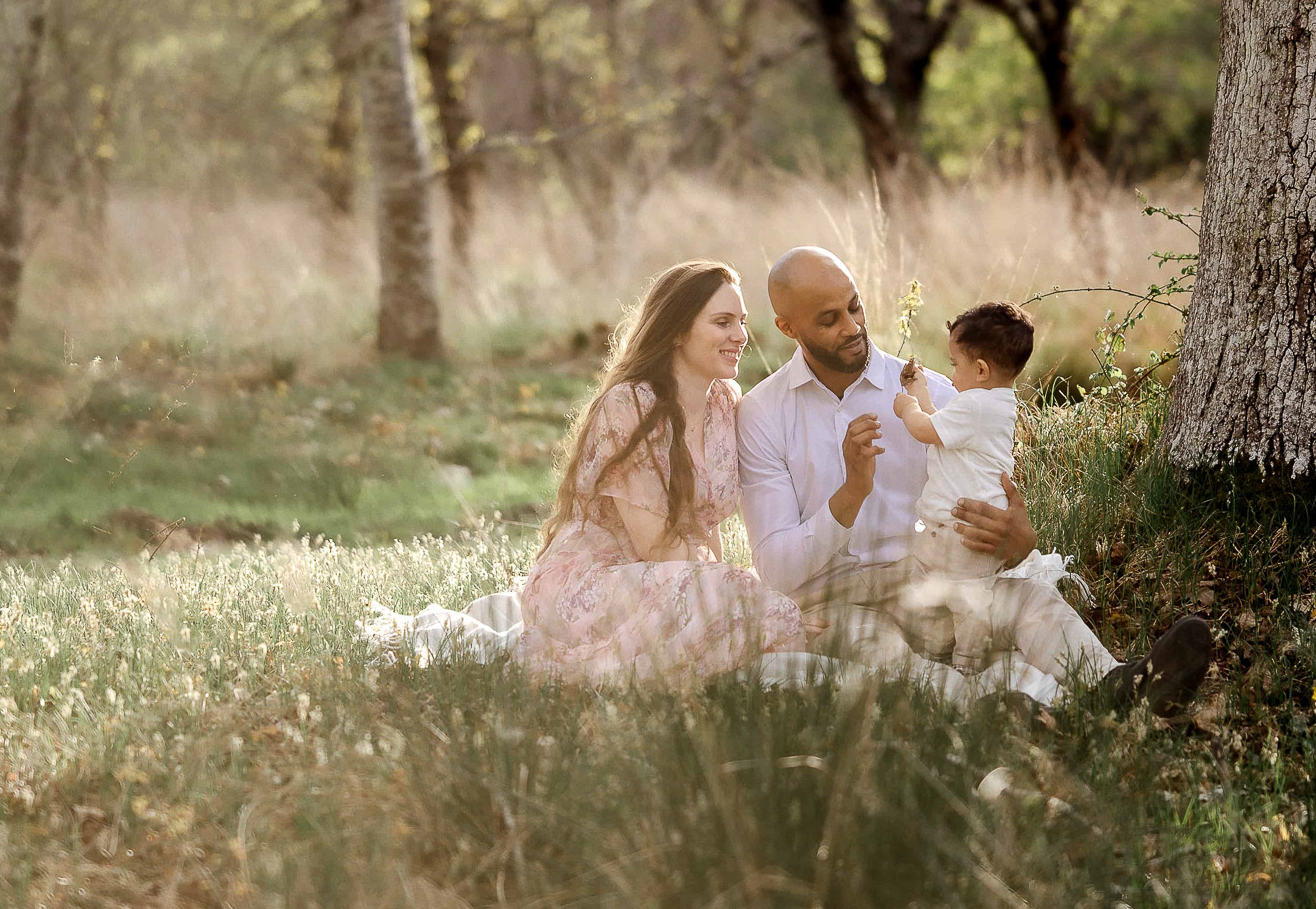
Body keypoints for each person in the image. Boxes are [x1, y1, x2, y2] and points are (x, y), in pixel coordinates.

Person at [736, 246, 1211, 713]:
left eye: (855, 305)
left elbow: (995, 501)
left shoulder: (942, 395)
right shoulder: (763, 415)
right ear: (787, 327)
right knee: (888, 658)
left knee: (1030, 603)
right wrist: (852, 492)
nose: (853, 326)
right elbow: (778, 570)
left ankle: (1121, 686)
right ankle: (1014, 712)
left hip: (931, 580)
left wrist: (1019, 539)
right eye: (828, 319)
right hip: (838, 606)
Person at [365, 261, 808, 681]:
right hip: (595, 581)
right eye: (723, 322)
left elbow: (704, 521)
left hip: (669, 580)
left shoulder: (725, 401)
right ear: (677, 330)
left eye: (742, 321)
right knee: (757, 610)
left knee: (761, 611)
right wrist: (733, 587)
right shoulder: (631, 405)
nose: (740, 335)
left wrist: (735, 584)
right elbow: (654, 546)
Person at [891, 300, 1035, 672]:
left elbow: (925, 429)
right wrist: (921, 390)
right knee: (963, 600)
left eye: (955, 365)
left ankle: (960, 665)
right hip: (960, 532)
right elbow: (943, 432)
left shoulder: (976, 405)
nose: (952, 376)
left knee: (958, 602)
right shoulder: (993, 404)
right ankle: (960, 660)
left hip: (959, 535)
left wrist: (907, 407)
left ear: (982, 369)